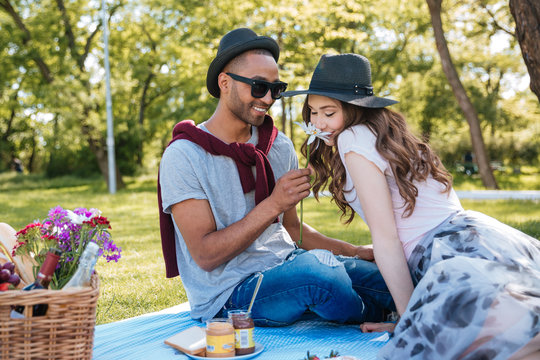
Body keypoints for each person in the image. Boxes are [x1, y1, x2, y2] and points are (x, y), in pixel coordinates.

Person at [284, 53, 540, 359]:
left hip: (445, 250)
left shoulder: (351, 138)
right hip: (475, 235)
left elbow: (387, 236)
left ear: (354, 110)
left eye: (329, 112)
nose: (318, 123)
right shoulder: (385, 134)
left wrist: (408, 320)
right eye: (312, 113)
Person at [158, 28, 395, 326]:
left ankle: (423, 311)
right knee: (318, 276)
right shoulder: (184, 155)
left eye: (276, 88)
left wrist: (356, 252)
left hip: (287, 265)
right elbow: (205, 255)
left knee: (389, 274)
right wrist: (273, 204)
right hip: (229, 295)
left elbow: (293, 230)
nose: (269, 98)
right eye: (259, 86)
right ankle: (389, 317)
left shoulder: (277, 146)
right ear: (225, 83)